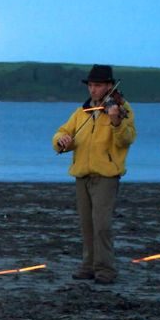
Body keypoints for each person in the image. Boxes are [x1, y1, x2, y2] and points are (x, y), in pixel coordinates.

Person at [52, 64, 136, 285]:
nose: (93, 90)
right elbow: (62, 132)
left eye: (97, 85)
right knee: (87, 225)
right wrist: (61, 141)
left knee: (102, 225)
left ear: (109, 86)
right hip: (82, 174)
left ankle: (105, 269)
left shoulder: (121, 108)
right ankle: (88, 266)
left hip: (106, 175)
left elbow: (126, 139)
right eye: (90, 85)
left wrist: (116, 121)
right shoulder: (82, 111)